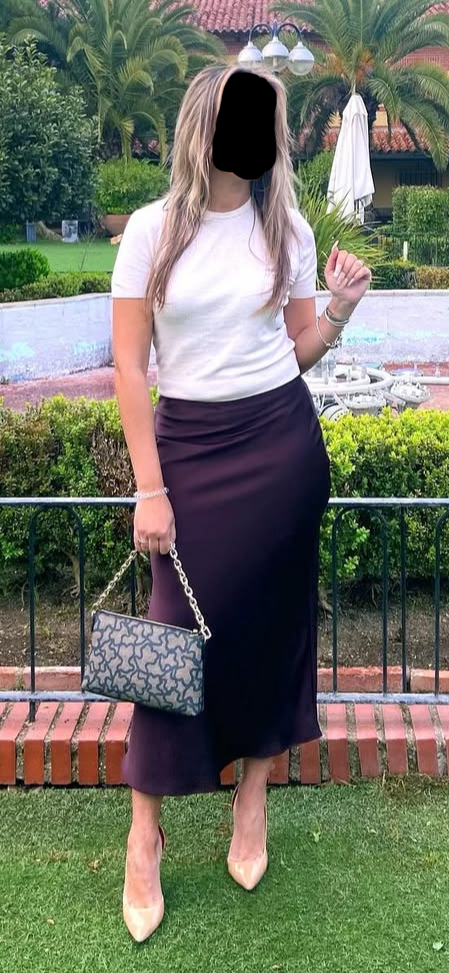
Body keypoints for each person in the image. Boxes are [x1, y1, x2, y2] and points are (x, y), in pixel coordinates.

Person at [110, 64, 371, 942]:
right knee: (168, 640)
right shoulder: (150, 231)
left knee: (268, 627)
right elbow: (130, 370)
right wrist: (149, 487)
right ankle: (143, 834)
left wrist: (337, 310)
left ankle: (251, 799)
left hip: (280, 449)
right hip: (187, 452)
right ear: (205, 126)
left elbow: (295, 350)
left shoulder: (285, 226)